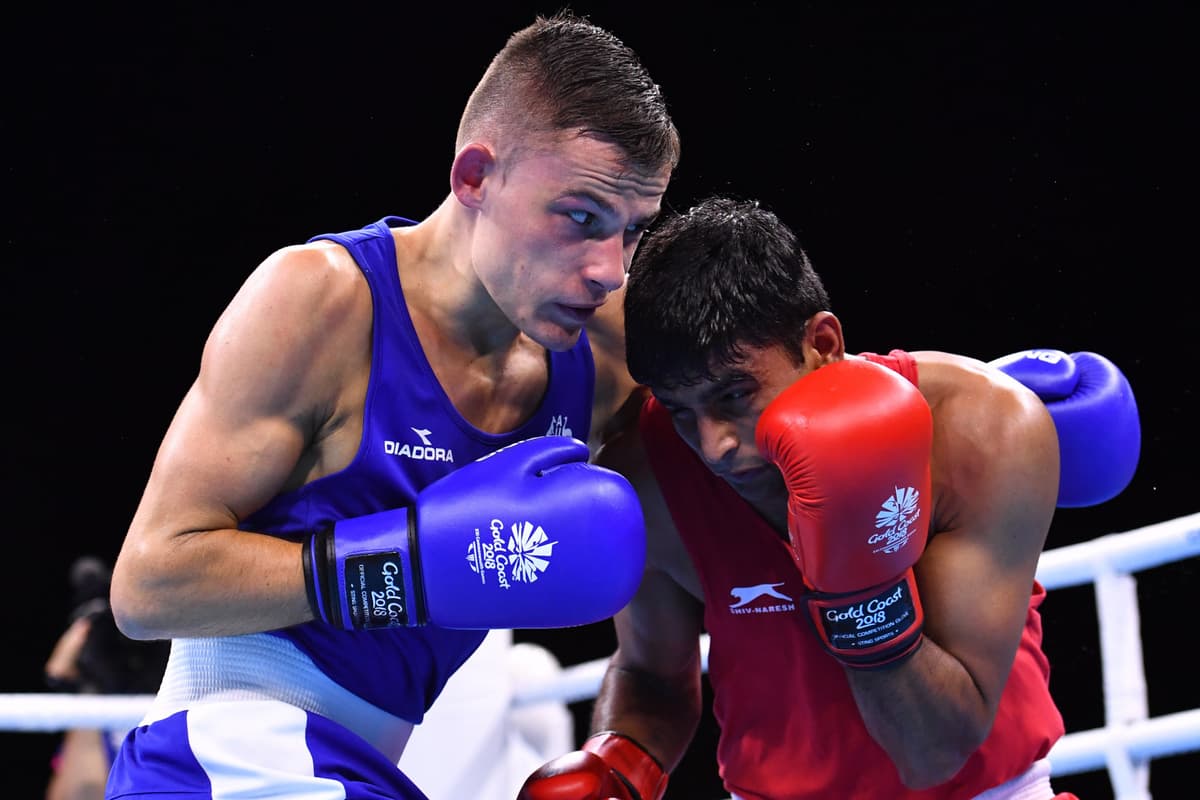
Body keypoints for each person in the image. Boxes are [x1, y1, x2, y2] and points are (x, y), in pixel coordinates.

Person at [105, 10, 679, 799]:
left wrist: (626, 761)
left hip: (369, 773)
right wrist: (405, 563)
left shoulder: (604, 359)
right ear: (475, 176)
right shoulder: (323, 302)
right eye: (580, 218)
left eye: (633, 231)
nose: (610, 269)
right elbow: (147, 587)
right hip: (228, 750)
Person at [518, 196, 1139, 800]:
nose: (715, 446)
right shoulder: (648, 471)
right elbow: (652, 674)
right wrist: (617, 764)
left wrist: (858, 592)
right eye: (682, 410)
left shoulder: (980, 430)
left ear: (823, 343)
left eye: (734, 395)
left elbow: (933, 752)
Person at [44, 557, 170, 800]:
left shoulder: (173, 631)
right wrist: (89, 622)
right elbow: (57, 672)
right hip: (103, 722)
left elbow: (56, 672)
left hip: (164, 708)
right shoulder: (89, 719)